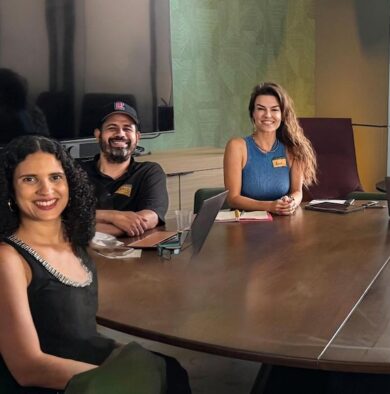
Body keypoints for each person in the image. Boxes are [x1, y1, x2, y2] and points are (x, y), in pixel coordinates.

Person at [0, 135, 190, 392]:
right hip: (54, 383)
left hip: (88, 359)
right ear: (10, 190)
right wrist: (116, 377)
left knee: (171, 371)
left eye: (55, 177)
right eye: (29, 179)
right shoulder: (8, 259)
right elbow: (28, 367)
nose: (46, 190)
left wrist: (136, 364)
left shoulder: (75, 241)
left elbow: (80, 335)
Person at [223, 82, 317, 215]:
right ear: (253, 113)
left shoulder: (293, 148)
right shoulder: (237, 147)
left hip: (283, 224)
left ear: (283, 114)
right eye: (261, 109)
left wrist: (290, 203)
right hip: (245, 226)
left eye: (274, 109)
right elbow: (232, 199)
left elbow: (297, 192)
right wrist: (270, 206)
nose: (267, 115)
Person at [80, 101, 168, 237]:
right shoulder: (77, 173)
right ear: (98, 134)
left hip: (139, 255)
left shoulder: (149, 172)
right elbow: (63, 217)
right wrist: (114, 217)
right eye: (112, 127)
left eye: (127, 128)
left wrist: (84, 226)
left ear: (137, 137)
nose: (120, 134)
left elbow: (150, 218)